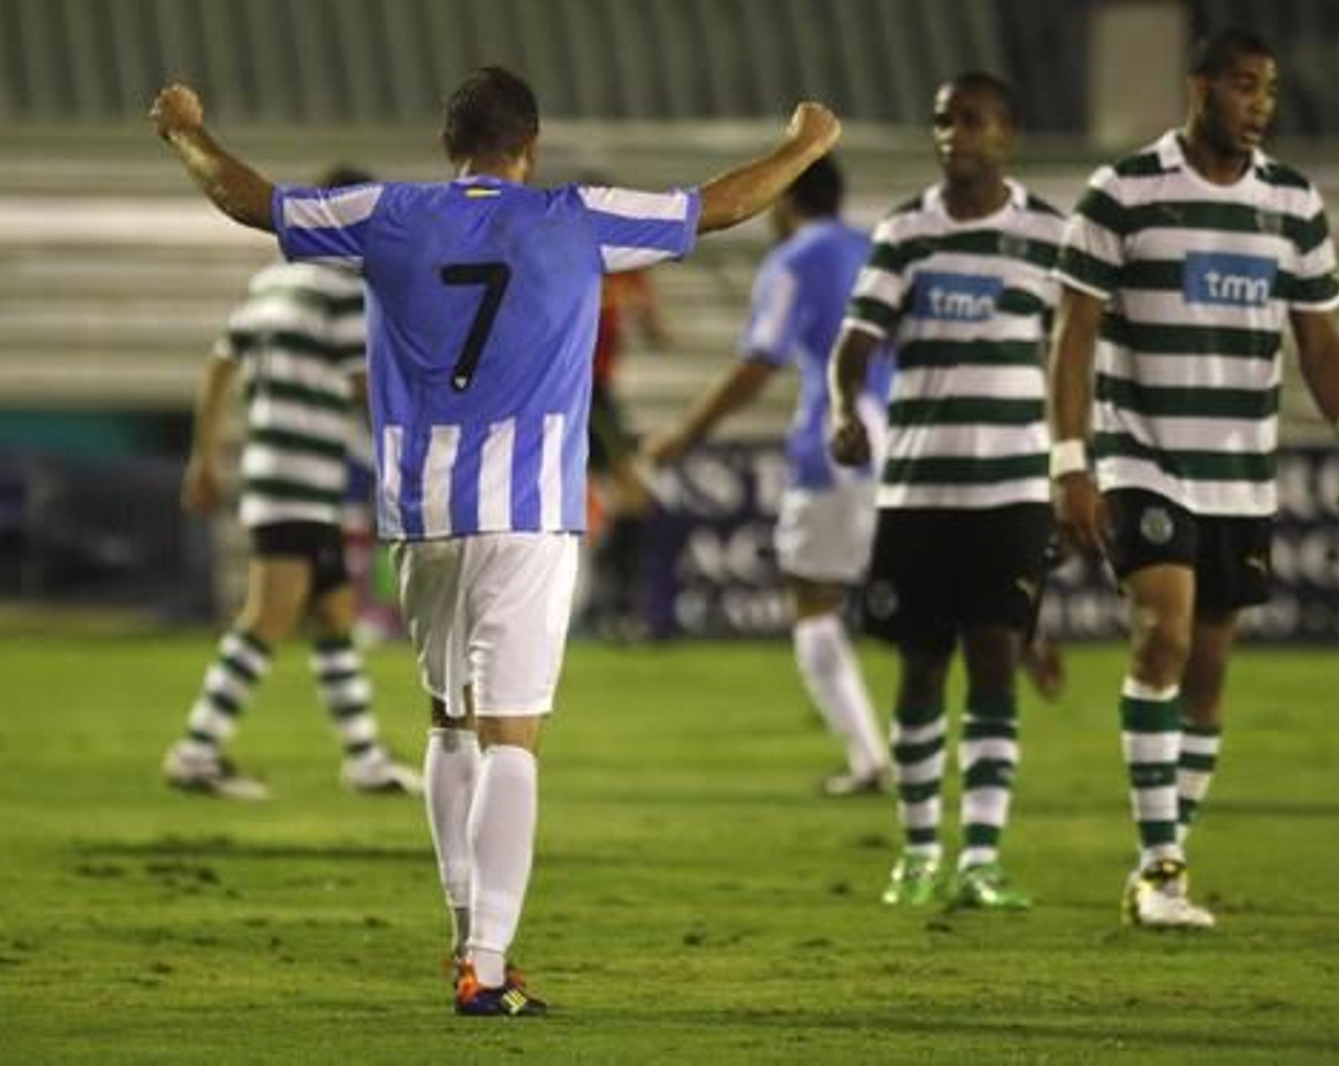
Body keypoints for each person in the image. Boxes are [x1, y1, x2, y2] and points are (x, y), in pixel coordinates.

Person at [150, 66, 840, 1016]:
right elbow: (714, 208)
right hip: (527, 512)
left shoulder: (386, 212)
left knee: (447, 721)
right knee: (513, 735)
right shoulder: (577, 214)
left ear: (449, 146)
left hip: (421, 514)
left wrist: (185, 128)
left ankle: (464, 933)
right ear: (533, 146)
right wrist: (803, 147)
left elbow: (248, 201)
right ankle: (486, 964)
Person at [1047, 27, 1339, 929]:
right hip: (1143, 456)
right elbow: (1074, 330)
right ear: (1197, 89)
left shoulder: (1292, 202)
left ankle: (1168, 863)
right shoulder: (1123, 192)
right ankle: (1158, 868)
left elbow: (1317, 332)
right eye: (1243, 86)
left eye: (1268, 89)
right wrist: (1071, 460)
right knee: (1164, 632)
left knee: (1209, 673)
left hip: (1241, 471)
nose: (1260, 103)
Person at [829, 73, 1066, 910]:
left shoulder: (1049, 234)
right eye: (942, 121)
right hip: (919, 488)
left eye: (972, 121)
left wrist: (1073, 468)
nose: (953, 135)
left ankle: (983, 856)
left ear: (1008, 132)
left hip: (1013, 488)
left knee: (997, 659)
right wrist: (844, 409)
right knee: (922, 666)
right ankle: (921, 848)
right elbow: (856, 341)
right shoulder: (906, 231)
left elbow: (1071, 361)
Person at [161, 163, 421, 801]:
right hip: (302, 481)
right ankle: (196, 749)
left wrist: (204, 457)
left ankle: (364, 760)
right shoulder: (340, 291)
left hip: (272, 471)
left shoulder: (267, 284)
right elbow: (366, 388)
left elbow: (220, 366)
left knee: (333, 614)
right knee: (268, 618)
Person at [645, 155, 892, 796]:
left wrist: (685, 435)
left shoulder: (794, 260)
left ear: (785, 200)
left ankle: (870, 759)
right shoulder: (878, 249)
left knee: (812, 597)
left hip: (835, 443)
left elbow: (758, 364)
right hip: (906, 442)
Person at [583, 263, 670, 640]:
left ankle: (615, 603)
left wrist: (644, 311)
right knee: (632, 495)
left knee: (632, 499)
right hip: (575, 390)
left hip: (598, 394)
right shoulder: (579, 261)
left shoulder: (627, 270)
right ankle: (615, 606)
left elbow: (657, 334)